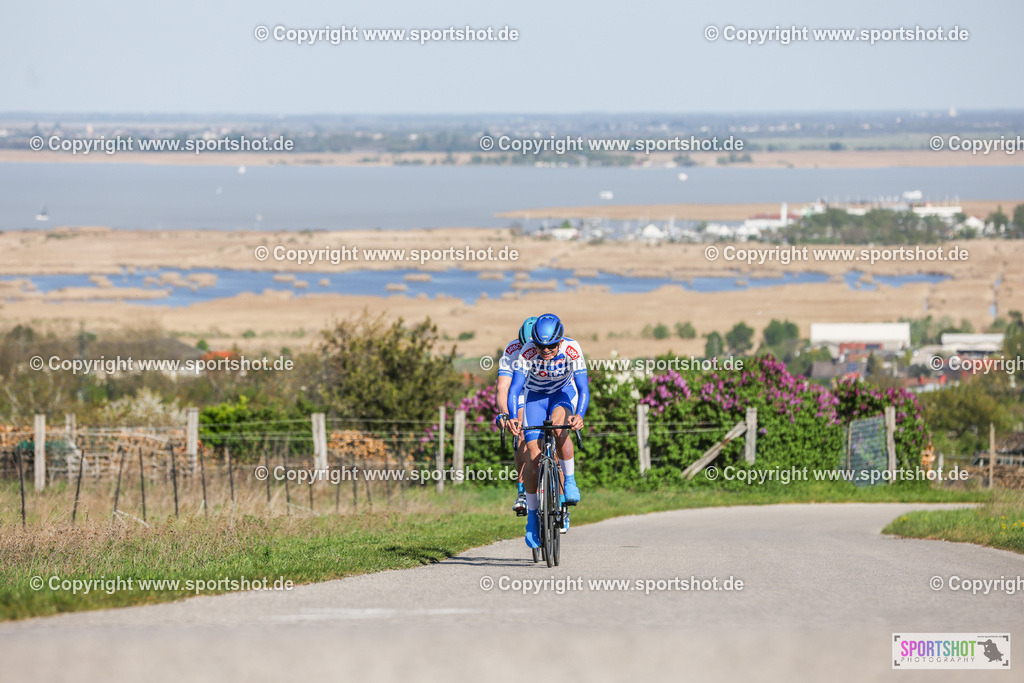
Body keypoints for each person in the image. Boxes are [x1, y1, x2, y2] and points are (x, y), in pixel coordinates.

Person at [507, 313, 589, 547]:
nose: (546, 350)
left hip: (561, 394)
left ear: (560, 340)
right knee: (533, 459)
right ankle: (533, 518)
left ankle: (570, 482)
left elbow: (583, 388)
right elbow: (514, 390)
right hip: (535, 398)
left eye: (551, 345)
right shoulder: (528, 353)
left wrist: (579, 415)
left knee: (558, 428)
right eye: (541, 345)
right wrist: (513, 417)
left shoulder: (572, 349)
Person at [494, 316, 537, 516]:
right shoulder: (512, 349)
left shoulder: (549, 348)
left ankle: (560, 494)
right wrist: (505, 413)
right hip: (520, 392)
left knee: (555, 432)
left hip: (545, 389)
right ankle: (522, 491)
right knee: (520, 431)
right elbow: (503, 388)